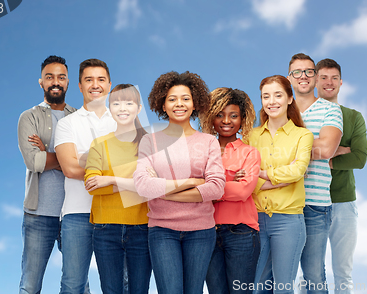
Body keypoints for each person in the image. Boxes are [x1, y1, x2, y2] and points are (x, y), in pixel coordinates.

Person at [133, 71, 226, 294]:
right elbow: (143, 185)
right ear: (162, 105)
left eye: (185, 98)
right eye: (172, 99)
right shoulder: (150, 140)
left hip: (201, 231)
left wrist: (164, 190)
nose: (179, 104)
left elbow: (216, 187)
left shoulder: (208, 142)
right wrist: (190, 182)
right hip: (162, 229)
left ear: (195, 104)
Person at [246, 75, 314, 294]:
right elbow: (243, 177)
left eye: (278, 95)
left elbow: (297, 171)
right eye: (266, 96)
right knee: (257, 289)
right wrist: (272, 180)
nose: (271, 101)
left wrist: (262, 174)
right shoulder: (251, 136)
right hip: (255, 220)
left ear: (290, 99)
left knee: (282, 289)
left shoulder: (303, 135)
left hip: (288, 222)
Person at [55, 59, 117, 294]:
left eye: (101, 79)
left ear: (109, 84)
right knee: (73, 285)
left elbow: (132, 168)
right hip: (77, 213)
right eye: (88, 80)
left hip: (115, 213)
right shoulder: (67, 124)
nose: (95, 85)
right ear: (80, 86)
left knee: (118, 285)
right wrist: (109, 172)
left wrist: (85, 157)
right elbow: (69, 168)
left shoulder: (124, 123)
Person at [84, 84, 151, 294]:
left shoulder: (150, 144)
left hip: (143, 226)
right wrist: (134, 181)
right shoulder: (99, 143)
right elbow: (93, 185)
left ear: (139, 108)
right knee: (111, 290)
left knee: (139, 290)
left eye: (129, 103)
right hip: (105, 228)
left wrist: (110, 179)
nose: (122, 108)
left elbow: (151, 186)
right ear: (109, 108)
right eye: (116, 103)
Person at [17, 55, 76, 294]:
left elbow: (89, 161)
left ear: (68, 82)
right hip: (38, 215)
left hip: (74, 215)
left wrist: (48, 153)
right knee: (30, 287)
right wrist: (67, 160)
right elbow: (34, 161)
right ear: (40, 82)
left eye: (61, 77)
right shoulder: (28, 117)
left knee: (78, 286)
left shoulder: (80, 118)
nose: (55, 82)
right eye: (49, 77)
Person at [287, 53, 343, 294]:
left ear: (315, 76)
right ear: (289, 77)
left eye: (309, 71)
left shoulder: (330, 110)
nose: (303, 76)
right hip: (282, 203)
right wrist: (312, 143)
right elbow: (264, 151)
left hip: (315, 204)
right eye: (297, 72)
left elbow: (328, 148)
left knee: (313, 275)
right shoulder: (279, 109)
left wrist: (286, 148)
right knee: (278, 274)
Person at [201, 87, 261, 294]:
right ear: (211, 118)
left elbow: (243, 191)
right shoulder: (202, 152)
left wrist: (211, 188)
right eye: (220, 115)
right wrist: (228, 179)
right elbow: (193, 189)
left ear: (242, 119)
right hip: (206, 233)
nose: (226, 121)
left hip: (242, 233)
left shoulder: (250, 153)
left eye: (233, 115)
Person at [315, 58, 367, 294]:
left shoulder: (354, 117)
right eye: (323, 77)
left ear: (341, 82)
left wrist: (323, 154)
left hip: (343, 202)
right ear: (315, 80)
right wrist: (339, 150)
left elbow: (359, 158)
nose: (329, 82)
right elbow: (295, 155)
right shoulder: (305, 116)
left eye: (334, 78)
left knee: (343, 272)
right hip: (310, 202)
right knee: (311, 271)